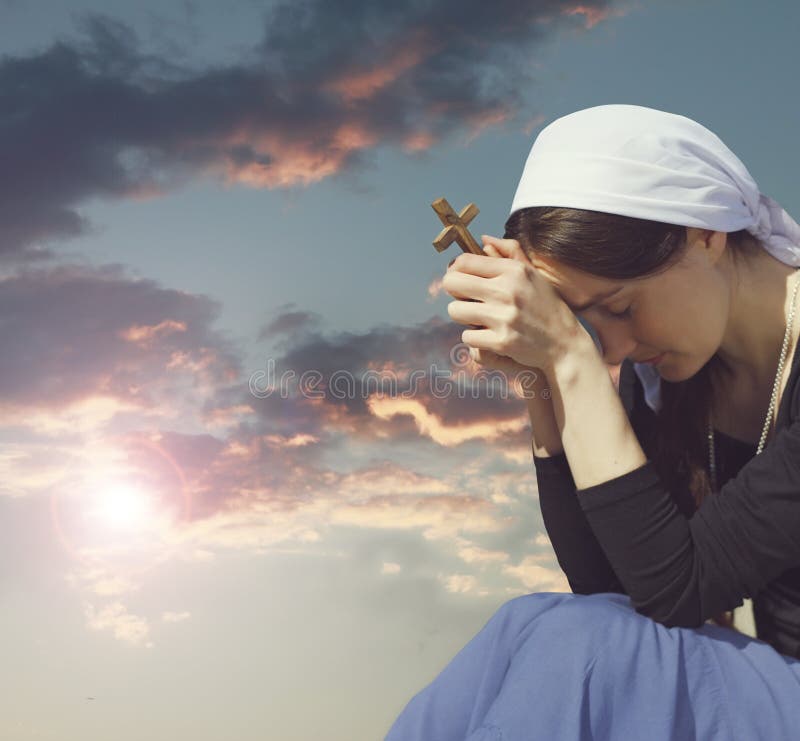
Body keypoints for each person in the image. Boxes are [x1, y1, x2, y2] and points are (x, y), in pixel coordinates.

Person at [384, 104, 800, 740]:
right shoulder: (671, 379)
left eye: (619, 306)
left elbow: (677, 591)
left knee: (577, 641)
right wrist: (541, 381)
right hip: (772, 686)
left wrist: (570, 358)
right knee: (534, 624)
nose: (611, 349)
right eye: (587, 323)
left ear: (704, 235)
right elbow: (613, 589)